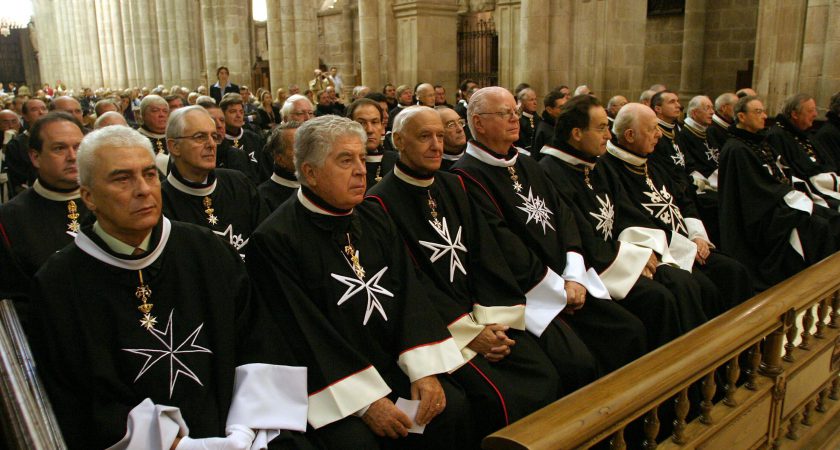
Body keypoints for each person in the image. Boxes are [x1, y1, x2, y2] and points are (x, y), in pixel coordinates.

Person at [27, 124, 310, 449]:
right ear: (88, 196)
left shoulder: (208, 251)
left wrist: (244, 431)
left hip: (241, 429)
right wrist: (177, 445)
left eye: (149, 174)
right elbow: (79, 397)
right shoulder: (60, 283)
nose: (143, 189)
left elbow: (259, 340)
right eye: (122, 179)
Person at [246, 115, 473, 449]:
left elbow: (408, 291)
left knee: (451, 407)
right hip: (330, 381)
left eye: (361, 158)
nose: (360, 170)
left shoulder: (374, 216)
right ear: (310, 173)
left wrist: (424, 370)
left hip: (392, 361)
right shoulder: (275, 240)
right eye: (345, 160)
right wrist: (366, 403)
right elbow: (301, 333)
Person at [367, 106, 561, 436]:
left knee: (546, 373)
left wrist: (491, 320)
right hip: (440, 330)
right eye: (424, 136)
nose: (436, 145)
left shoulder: (454, 186)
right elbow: (411, 286)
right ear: (398, 140)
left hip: (484, 315)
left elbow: (487, 255)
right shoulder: (379, 204)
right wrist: (470, 332)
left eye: (440, 136)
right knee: (498, 398)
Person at [451, 87, 647, 374]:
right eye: (504, 114)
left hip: (569, 281)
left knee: (630, 329)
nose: (514, 119)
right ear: (478, 123)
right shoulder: (464, 177)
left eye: (514, 112)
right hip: (530, 295)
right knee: (578, 362)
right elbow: (504, 246)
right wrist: (558, 289)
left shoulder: (526, 162)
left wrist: (574, 274)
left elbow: (564, 216)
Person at [539, 95, 707, 346]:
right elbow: (578, 235)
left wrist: (644, 250)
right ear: (576, 133)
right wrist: (633, 258)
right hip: (593, 268)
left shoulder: (596, 165)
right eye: (601, 128)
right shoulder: (550, 173)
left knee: (684, 282)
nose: (608, 135)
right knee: (660, 299)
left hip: (620, 254)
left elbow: (626, 212)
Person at [598, 103, 753, 317]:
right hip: (662, 251)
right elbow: (631, 219)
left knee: (734, 271)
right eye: (652, 129)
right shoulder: (607, 170)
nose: (659, 134)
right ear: (630, 135)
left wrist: (697, 236)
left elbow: (682, 199)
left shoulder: (652, 162)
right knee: (704, 290)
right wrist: (685, 246)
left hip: (687, 241)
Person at [719, 95, 840, 289]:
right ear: (741, 116)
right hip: (758, 214)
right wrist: (788, 198)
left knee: (828, 216)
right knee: (816, 225)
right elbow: (754, 191)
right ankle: (813, 286)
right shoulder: (736, 149)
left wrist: (795, 194)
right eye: (758, 112)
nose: (764, 116)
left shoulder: (759, 142)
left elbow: (781, 173)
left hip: (775, 201)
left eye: (764, 111)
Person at [0, 112, 90, 317]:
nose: (72, 156)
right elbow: (12, 301)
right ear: (35, 157)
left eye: (78, 147)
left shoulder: (110, 201)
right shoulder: (9, 219)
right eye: (59, 148)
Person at [161, 106, 267, 259]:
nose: (211, 144)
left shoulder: (238, 183)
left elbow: (265, 241)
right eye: (200, 137)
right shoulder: (161, 201)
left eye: (214, 136)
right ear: (174, 147)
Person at [766, 93, 840, 208]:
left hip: (825, 186)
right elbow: (789, 174)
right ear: (795, 114)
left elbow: (829, 164)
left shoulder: (805, 134)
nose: (815, 114)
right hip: (805, 193)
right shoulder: (777, 136)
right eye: (810, 111)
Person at [347, 98, 397, 189]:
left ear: (382, 126)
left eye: (374, 122)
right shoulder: (343, 165)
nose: (369, 130)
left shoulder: (397, 162)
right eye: (361, 123)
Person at [220, 93, 269, 184]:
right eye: (233, 111)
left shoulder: (254, 138)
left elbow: (264, 172)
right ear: (222, 115)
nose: (238, 115)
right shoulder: (219, 142)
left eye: (241, 112)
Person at [4, 98, 48, 195]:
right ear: (25, 116)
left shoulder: (57, 138)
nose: (41, 112)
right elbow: (19, 182)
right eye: (34, 110)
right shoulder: (16, 145)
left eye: (44, 108)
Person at [259, 121, 301, 211]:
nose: (308, 152)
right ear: (280, 159)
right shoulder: (263, 198)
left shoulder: (320, 188)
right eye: (299, 147)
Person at [137, 94, 170, 173]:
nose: (161, 115)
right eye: (155, 110)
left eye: (165, 111)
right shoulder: (136, 139)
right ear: (143, 114)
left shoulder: (176, 136)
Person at [532, 90, 567, 156]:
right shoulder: (543, 130)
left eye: (566, 106)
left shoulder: (562, 125)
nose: (565, 110)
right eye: (561, 107)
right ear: (549, 110)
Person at [436, 106, 467, 170]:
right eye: (451, 125)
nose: (460, 129)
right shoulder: (434, 167)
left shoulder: (476, 157)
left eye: (460, 122)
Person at [514, 88, 539, 155]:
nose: (535, 103)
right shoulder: (518, 121)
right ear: (521, 103)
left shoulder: (539, 119)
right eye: (531, 100)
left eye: (535, 99)